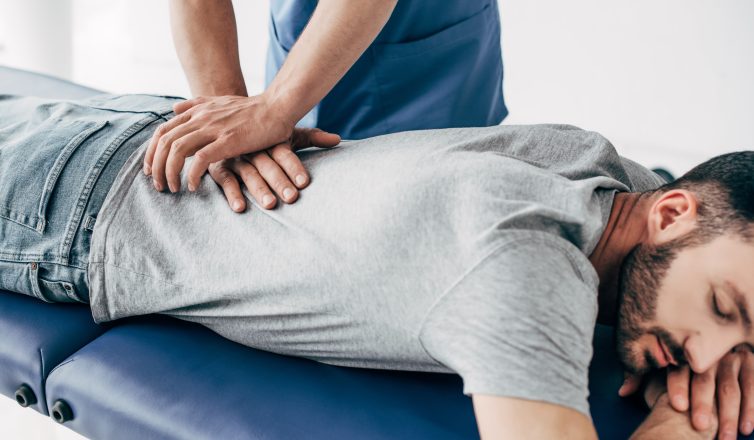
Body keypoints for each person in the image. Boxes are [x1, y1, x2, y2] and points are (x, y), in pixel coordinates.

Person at [1, 93, 753, 439]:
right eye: (724, 309)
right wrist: (686, 423)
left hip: (140, 133)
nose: (714, 357)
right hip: (63, 214)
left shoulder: (597, 163)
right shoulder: (526, 268)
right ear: (671, 214)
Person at [150, 0, 506, 213]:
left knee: (435, 212)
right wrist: (231, 125)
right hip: (301, 34)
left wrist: (274, 108)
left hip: (427, 64)